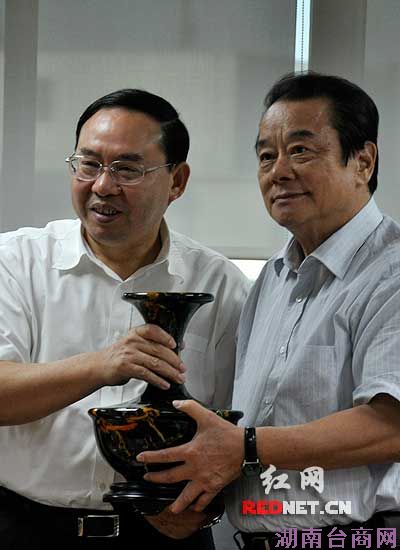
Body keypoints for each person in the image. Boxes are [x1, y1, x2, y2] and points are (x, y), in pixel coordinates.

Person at [137, 73, 400, 550]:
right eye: (265, 156)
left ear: (363, 161)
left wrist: (245, 448)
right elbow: (254, 426)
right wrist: (197, 495)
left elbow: (390, 427)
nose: (278, 171)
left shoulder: (391, 272)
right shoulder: (272, 278)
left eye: (300, 150)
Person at [0, 88, 249, 549]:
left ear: (177, 181)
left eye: (127, 169)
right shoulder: (16, 262)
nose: (102, 186)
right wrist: (102, 365)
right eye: (88, 164)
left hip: (166, 533)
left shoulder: (221, 284)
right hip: (27, 528)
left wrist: (207, 503)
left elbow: (246, 427)